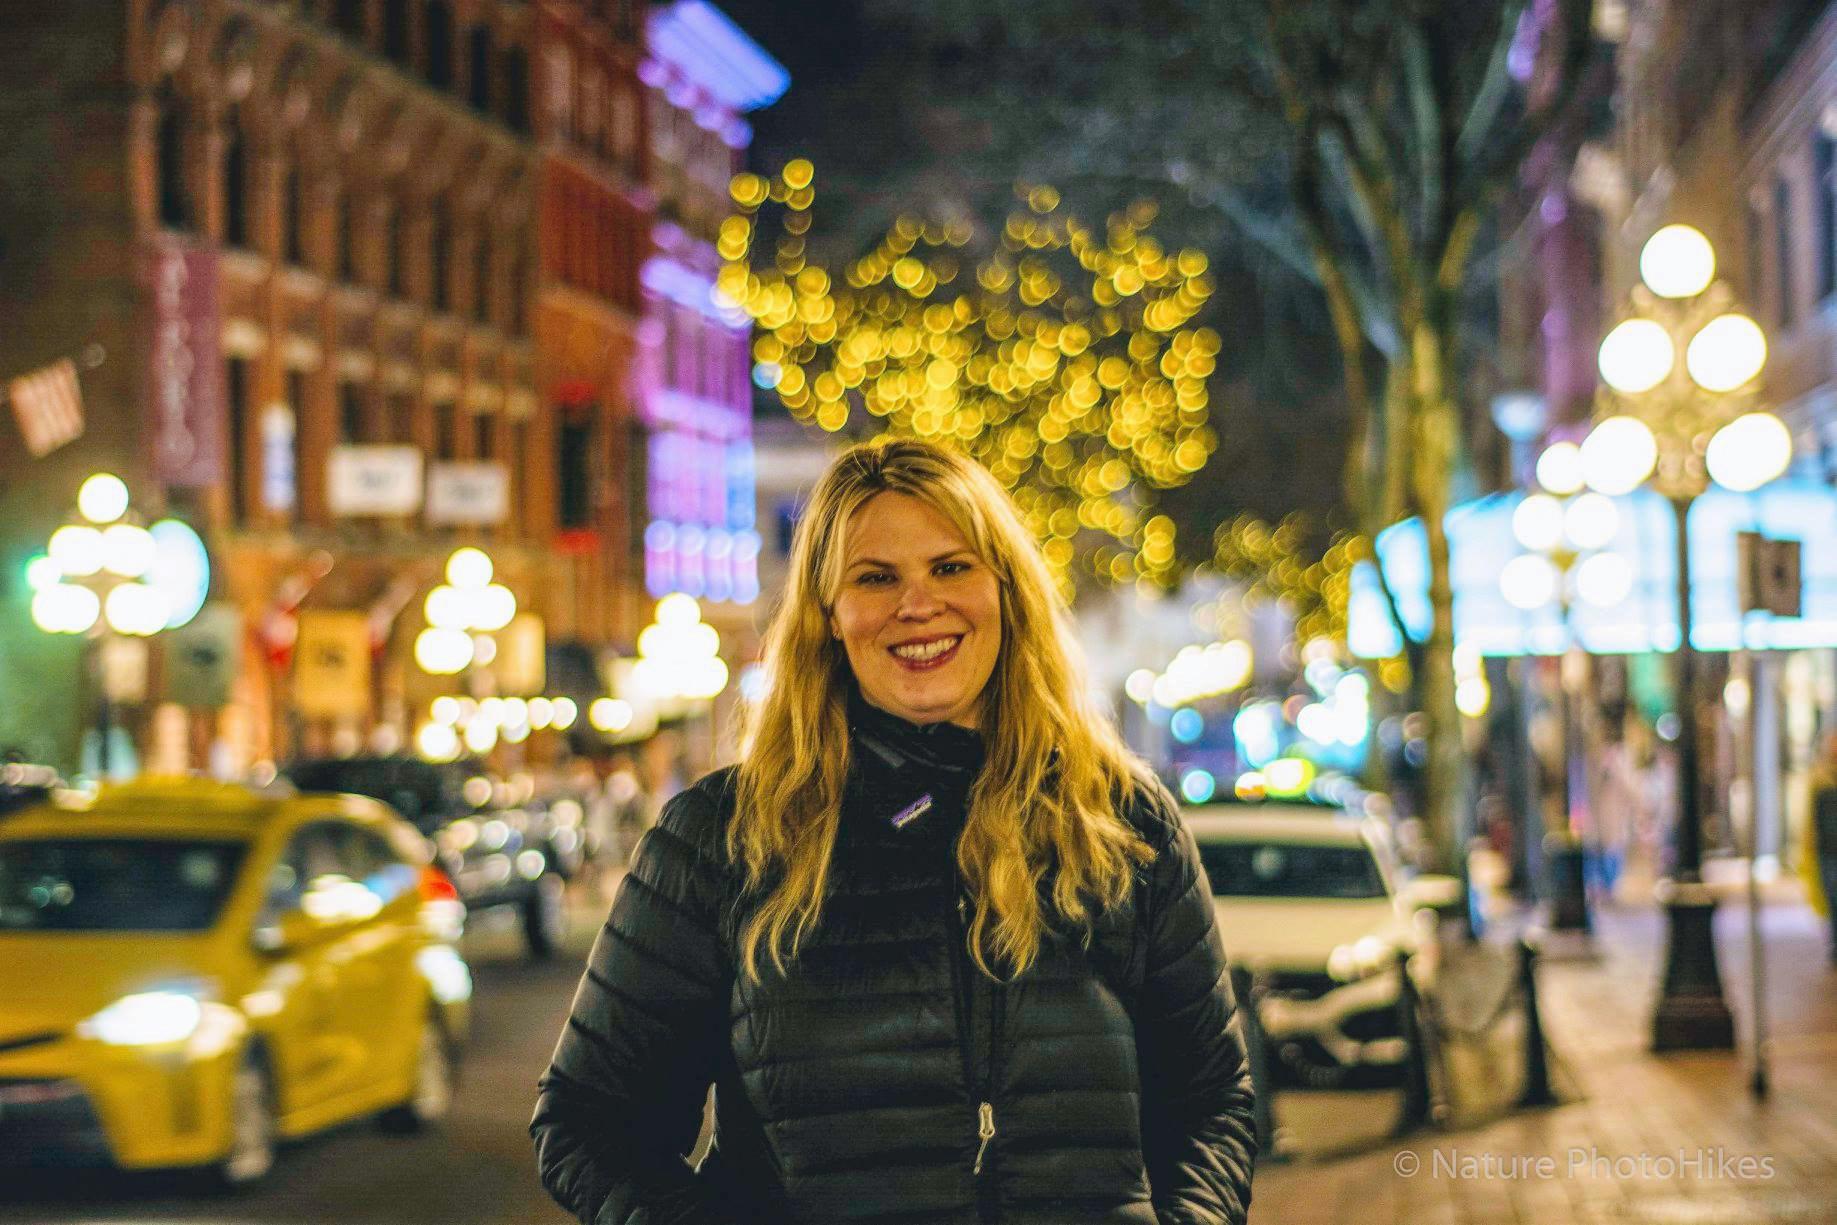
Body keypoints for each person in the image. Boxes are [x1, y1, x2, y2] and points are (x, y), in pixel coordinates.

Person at [532, 439, 1256, 1224]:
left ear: (1006, 590)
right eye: (875, 577)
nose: (917, 604)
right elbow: (591, 1123)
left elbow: (1210, 1101)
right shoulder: (723, 837)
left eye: (951, 567)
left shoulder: (1119, 819)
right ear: (828, 615)